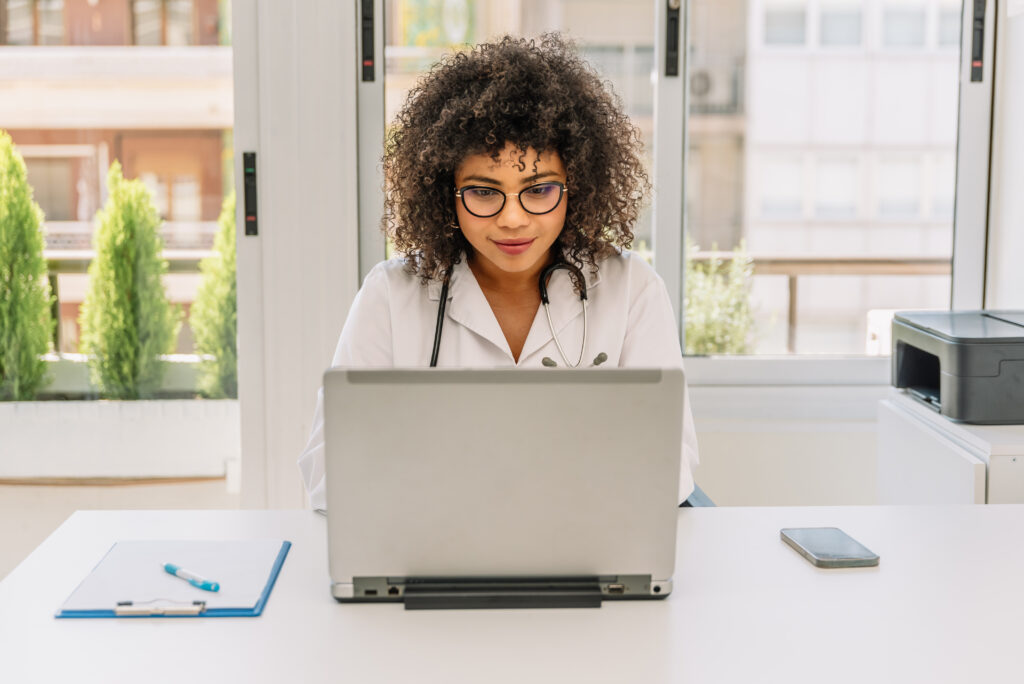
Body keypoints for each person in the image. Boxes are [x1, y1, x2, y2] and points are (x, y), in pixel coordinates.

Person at [298, 34, 698, 511]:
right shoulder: (390, 295)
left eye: (539, 190)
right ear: (446, 193)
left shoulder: (631, 290)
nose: (512, 218)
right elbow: (329, 472)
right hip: (434, 549)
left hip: (580, 550)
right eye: (485, 192)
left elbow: (670, 468)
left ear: (578, 188)